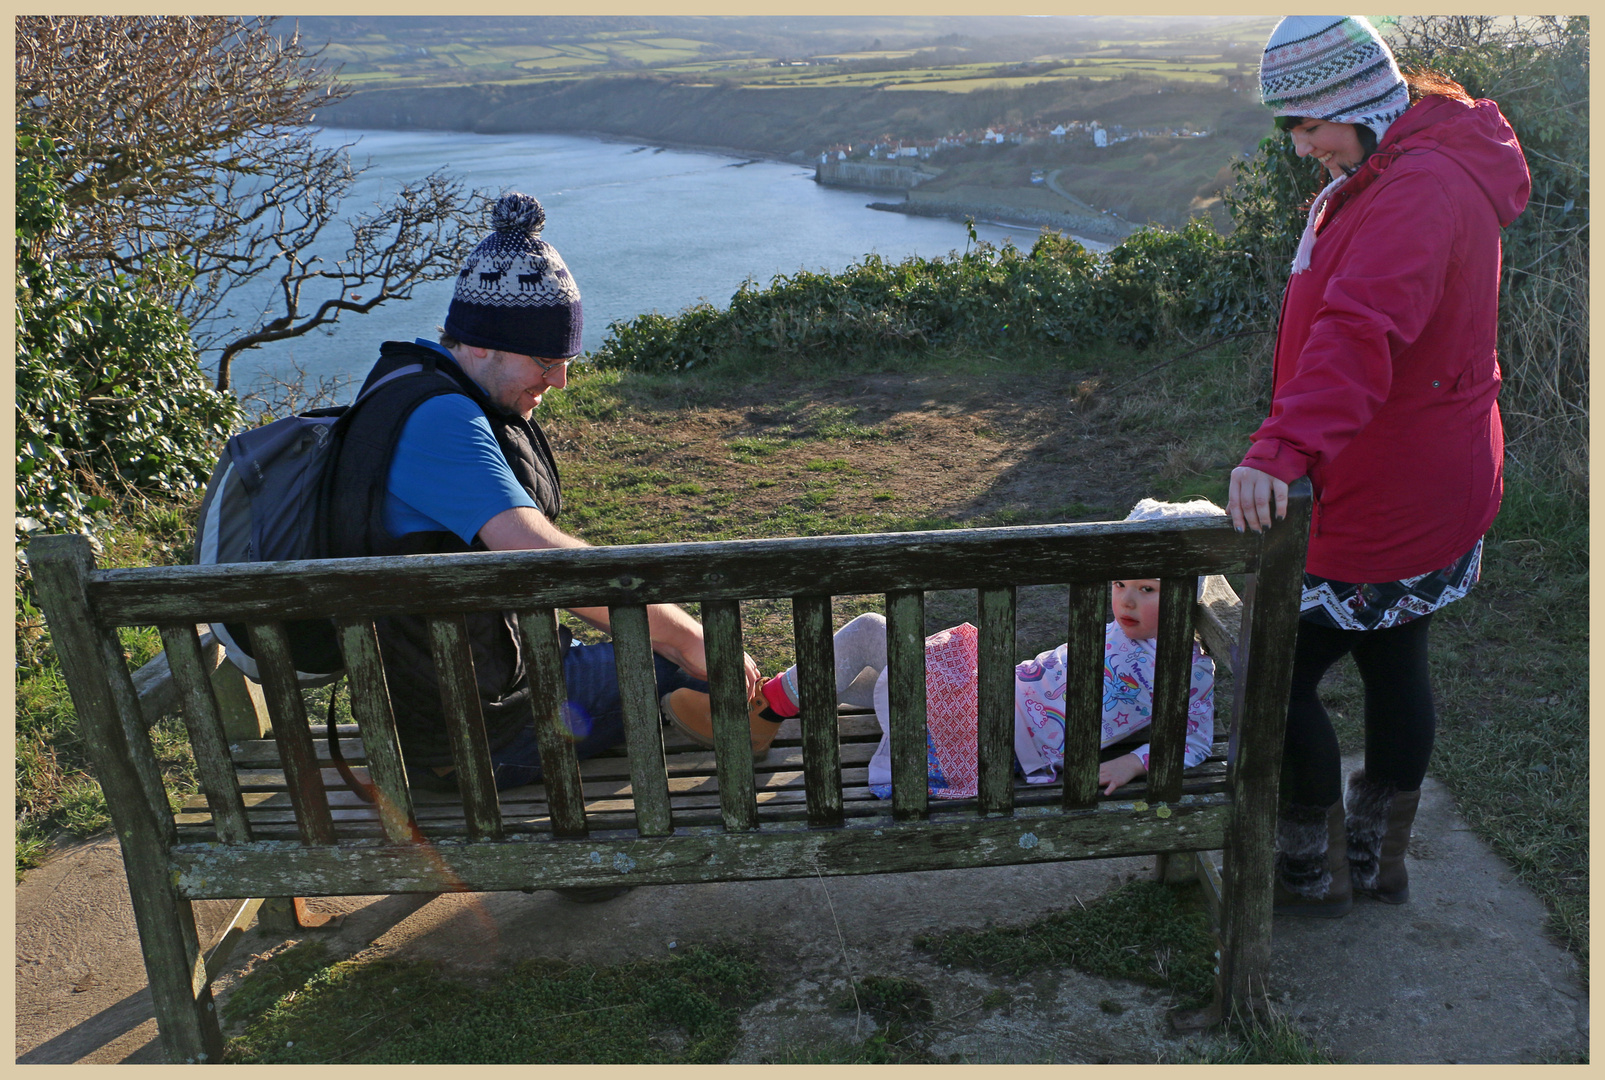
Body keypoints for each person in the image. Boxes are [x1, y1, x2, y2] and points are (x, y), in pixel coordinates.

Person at [1226, 17, 1530, 917]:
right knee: (1397, 660)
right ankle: (1374, 862)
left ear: (1358, 102)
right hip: (1430, 471)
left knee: (1265, 674)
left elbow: (1360, 334)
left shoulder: (1415, 189)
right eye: (1289, 125)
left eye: (1309, 121)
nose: (1299, 145)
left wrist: (1279, 449)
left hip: (1388, 484)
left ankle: (1308, 872)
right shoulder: (1402, 164)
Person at [324, 191, 762, 800]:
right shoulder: (442, 422)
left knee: (667, 653)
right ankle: (604, 822)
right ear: (480, 342)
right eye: (545, 358)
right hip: (479, 734)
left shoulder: (405, 385)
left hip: (448, 701)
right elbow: (540, 557)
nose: (559, 380)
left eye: (567, 359)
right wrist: (692, 638)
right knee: (693, 660)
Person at [668, 499, 1218, 796]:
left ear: (1183, 594)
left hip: (990, 730)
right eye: (1122, 584)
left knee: (869, 635)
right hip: (986, 697)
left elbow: (1194, 742)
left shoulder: (1188, 670)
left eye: (1147, 590)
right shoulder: (1116, 632)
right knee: (871, 655)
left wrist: (1131, 764)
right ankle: (764, 713)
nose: (1126, 601)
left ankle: (760, 714)